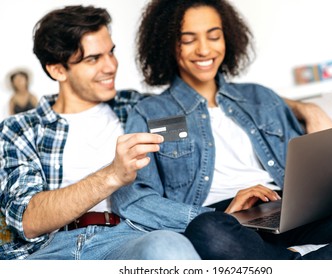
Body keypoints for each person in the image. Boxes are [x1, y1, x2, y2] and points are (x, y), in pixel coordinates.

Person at [112, 0, 332, 259]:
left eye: (213, 36)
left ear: (227, 38)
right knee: (208, 232)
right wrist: (214, 215)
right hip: (226, 219)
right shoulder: (150, 113)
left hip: (291, 209)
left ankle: (303, 267)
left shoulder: (262, 98)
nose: (204, 50)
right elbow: (135, 199)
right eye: (188, 40)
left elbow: (311, 172)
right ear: (168, 45)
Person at [0, 5, 200, 260]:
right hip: (50, 249)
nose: (111, 66)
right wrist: (113, 174)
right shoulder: (20, 129)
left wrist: (225, 208)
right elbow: (29, 220)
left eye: (111, 52)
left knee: (168, 247)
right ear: (57, 70)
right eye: (93, 59)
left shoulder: (140, 108)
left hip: (128, 237)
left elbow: (198, 139)